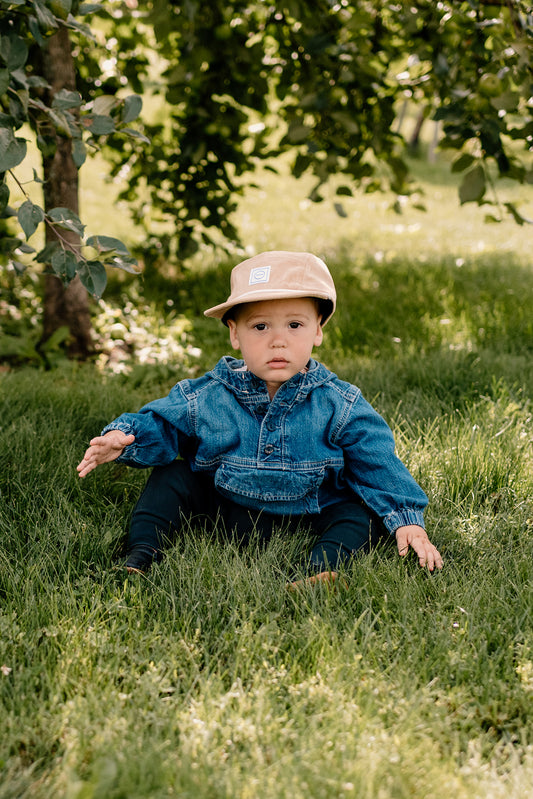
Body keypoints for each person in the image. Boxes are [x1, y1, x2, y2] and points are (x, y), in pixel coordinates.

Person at [77, 251, 443, 581]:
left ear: (318, 330)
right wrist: (124, 439)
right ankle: (142, 554)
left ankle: (321, 570)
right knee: (172, 477)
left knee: (358, 514)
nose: (277, 341)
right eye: (261, 326)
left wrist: (406, 519)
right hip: (227, 504)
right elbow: (163, 423)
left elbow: (376, 461)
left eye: (294, 325)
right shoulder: (210, 395)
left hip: (311, 508)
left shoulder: (339, 404)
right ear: (235, 334)